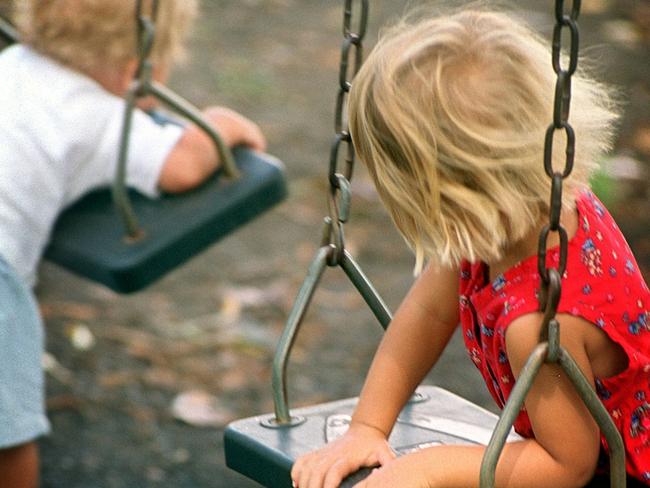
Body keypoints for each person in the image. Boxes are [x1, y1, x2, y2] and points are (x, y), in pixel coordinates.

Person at [291, 7, 650, 488]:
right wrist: (367, 428)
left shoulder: (536, 323)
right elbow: (426, 316)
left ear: (443, 193)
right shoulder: (515, 217)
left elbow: (569, 466)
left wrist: (429, 467)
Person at [0, 0, 266, 486]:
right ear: (135, 72)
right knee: (8, 436)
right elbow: (183, 165)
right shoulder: (96, 114)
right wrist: (223, 124)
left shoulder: (11, 63)